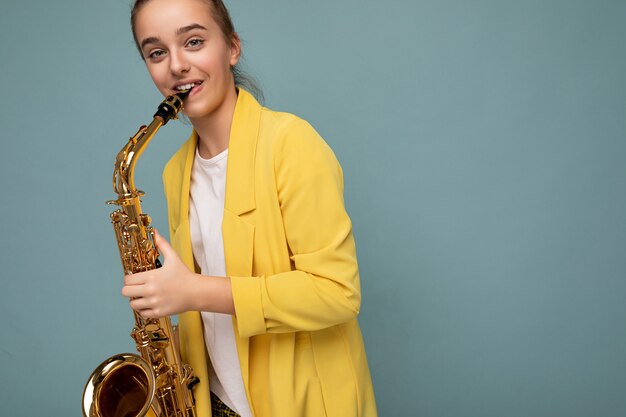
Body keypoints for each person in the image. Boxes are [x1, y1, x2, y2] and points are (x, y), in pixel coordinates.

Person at [121, 1, 377, 416]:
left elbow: (338, 293)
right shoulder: (175, 172)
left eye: (194, 41)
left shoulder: (292, 143)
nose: (177, 65)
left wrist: (191, 291)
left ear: (232, 48)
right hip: (218, 403)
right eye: (157, 52)